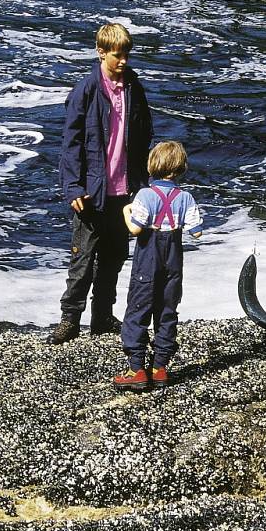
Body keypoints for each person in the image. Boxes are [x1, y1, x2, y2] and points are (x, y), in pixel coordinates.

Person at [47, 23, 153, 344]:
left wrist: (145, 183)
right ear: (101, 52)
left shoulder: (134, 87)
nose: (123, 61)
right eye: (117, 55)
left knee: (114, 256)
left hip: (125, 192)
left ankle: (103, 316)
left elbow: (145, 134)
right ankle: (69, 319)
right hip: (92, 193)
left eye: (126, 55)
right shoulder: (87, 90)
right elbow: (71, 143)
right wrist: (73, 187)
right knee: (82, 259)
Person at [113, 141, 203, 391]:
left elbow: (135, 228)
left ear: (153, 166)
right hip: (173, 258)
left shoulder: (145, 195)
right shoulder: (185, 197)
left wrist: (125, 211)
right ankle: (160, 367)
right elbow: (196, 232)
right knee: (167, 309)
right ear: (180, 168)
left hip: (148, 257)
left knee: (138, 309)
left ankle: (136, 368)